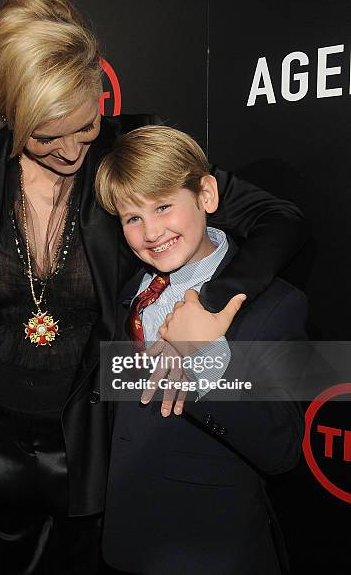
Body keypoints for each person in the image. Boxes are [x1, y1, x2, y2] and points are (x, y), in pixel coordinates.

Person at [0, 0, 308, 575]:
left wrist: (206, 306)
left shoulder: (129, 150)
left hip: (89, 441)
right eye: (47, 137)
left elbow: (277, 220)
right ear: (9, 112)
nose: (74, 150)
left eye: (86, 125)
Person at [94, 125, 307, 575]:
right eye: (132, 218)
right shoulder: (126, 295)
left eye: (164, 206)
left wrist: (207, 358)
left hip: (213, 552)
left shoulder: (274, 305)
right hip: (125, 546)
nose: (150, 231)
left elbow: (282, 448)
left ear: (206, 194)